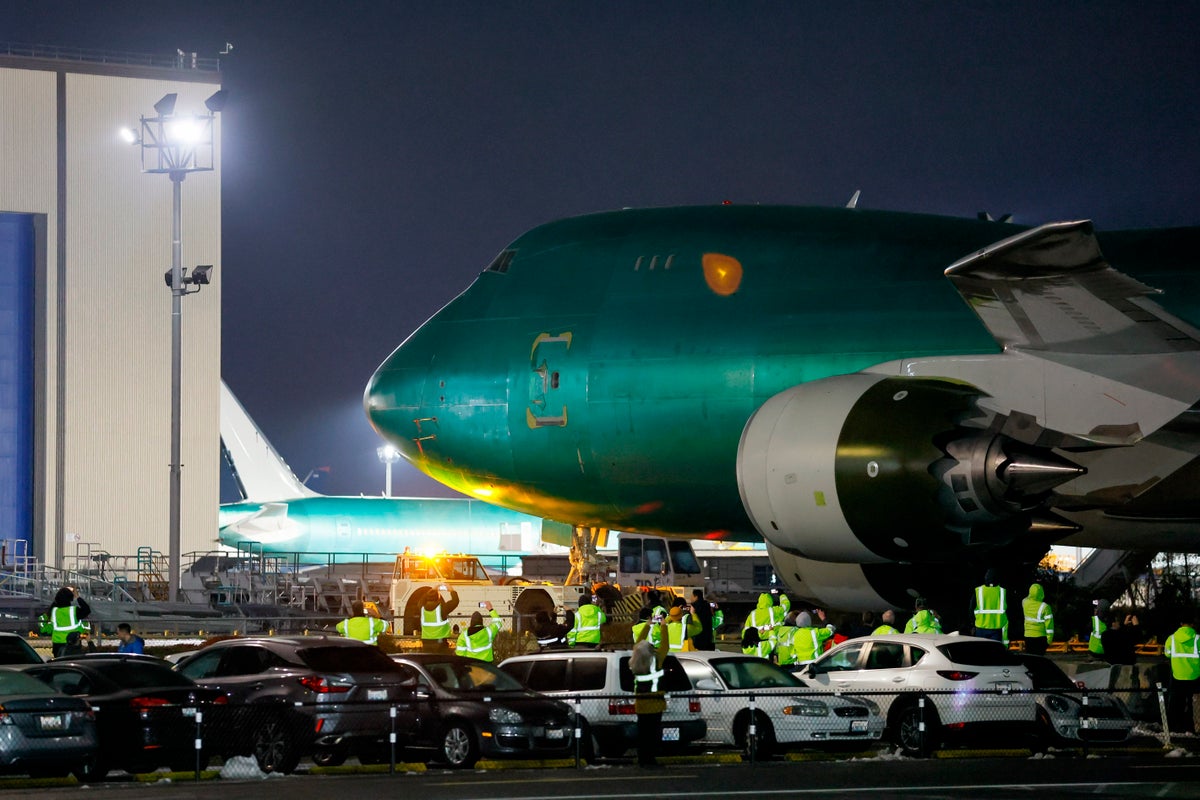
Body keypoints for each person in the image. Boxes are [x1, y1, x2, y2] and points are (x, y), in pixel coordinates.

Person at [631, 617, 670, 767]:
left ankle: (643, 759)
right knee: (653, 734)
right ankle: (651, 760)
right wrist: (663, 626)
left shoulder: (634, 661)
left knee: (643, 734)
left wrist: (647, 626)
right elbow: (665, 645)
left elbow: (638, 644)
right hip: (655, 702)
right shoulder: (656, 659)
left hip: (640, 703)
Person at [1165, 619, 1200, 734]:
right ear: (1193, 624)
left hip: (1177, 675)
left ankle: (1175, 727)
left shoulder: (1172, 638)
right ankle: (1192, 727)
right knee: (1192, 703)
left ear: (1180, 623)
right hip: (1194, 676)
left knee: (1176, 702)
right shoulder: (1198, 639)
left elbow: (1167, 653)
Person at [40, 586, 91, 658]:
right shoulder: (74, 611)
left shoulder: (54, 611)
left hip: (57, 645)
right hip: (73, 644)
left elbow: (46, 620)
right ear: (71, 598)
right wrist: (77, 597)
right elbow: (87, 610)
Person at [971, 569, 1008, 645]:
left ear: (985, 578)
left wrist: (972, 623)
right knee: (994, 653)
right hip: (997, 629)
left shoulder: (978, 591)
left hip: (980, 629)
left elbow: (970, 609)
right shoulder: (1003, 592)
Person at [420, 584, 460, 652]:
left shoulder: (422, 608)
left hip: (426, 641)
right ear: (438, 597)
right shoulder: (442, 608)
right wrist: (452, 591)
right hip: (440, 642)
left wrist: (432, 590)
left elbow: (421, 600)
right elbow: (455, 601)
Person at [1021, 583, 1054, 656]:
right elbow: (1049, 626)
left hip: (1028, 636)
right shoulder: (1045, 607)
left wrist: (1031, 594)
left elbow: (1026, 598)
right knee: (1039, 660)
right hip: (1041, 638)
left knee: (1030, 660)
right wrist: (1049, 640)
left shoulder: (1024, 602)